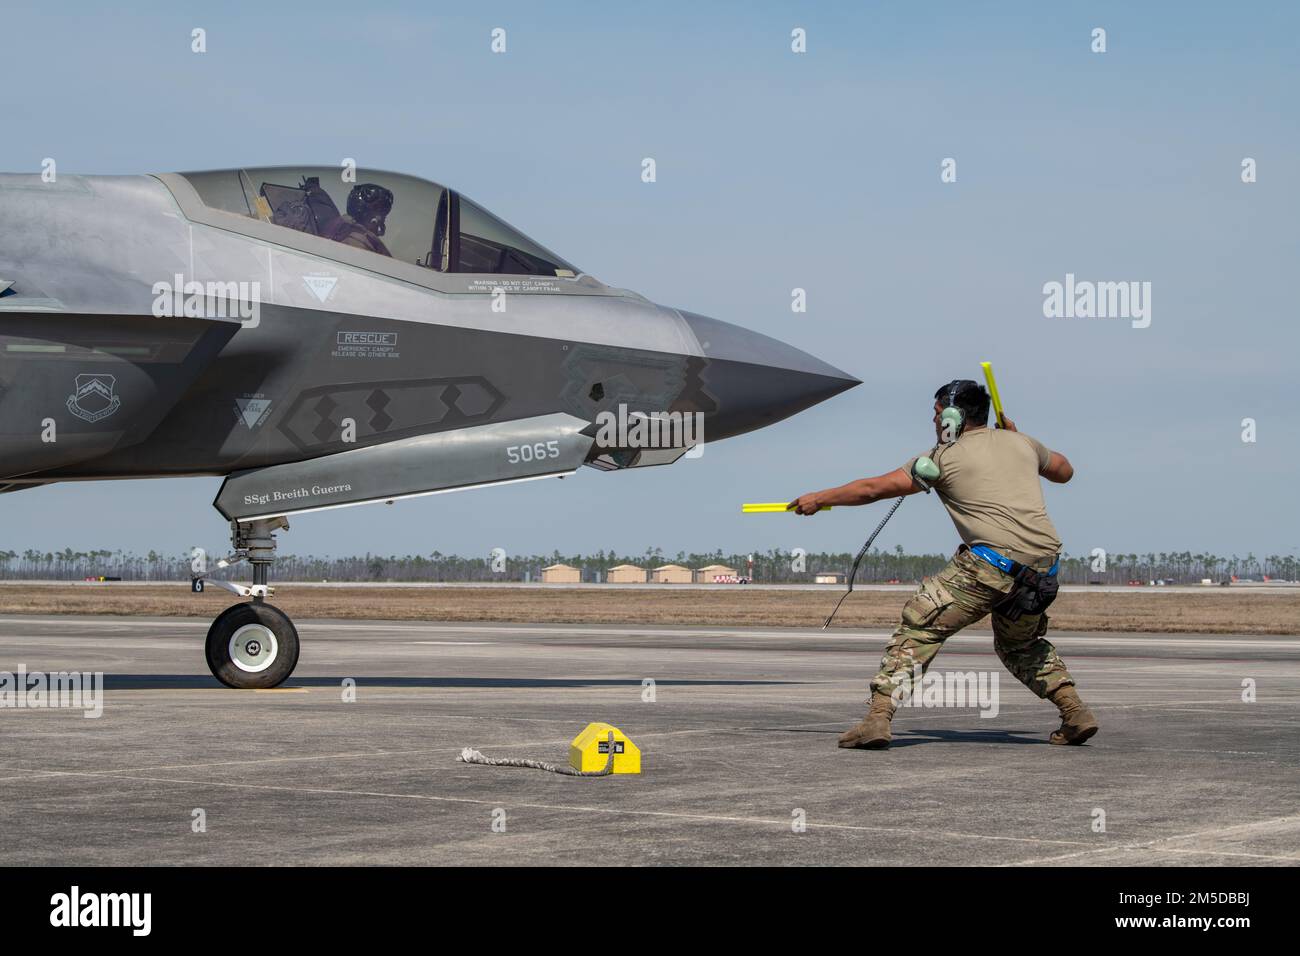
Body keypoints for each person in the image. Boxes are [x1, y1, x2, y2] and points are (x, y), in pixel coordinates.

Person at [790, 380, 1099, 749]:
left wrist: (818, 498)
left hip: (989, 566)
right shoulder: (1023, 443)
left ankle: (876, 719)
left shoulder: (941, 458)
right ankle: (1074, 711)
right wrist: (1019, 439)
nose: (935, 423)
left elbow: (873, 489)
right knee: (1021, 646)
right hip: (1042, 570)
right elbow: (1064, 471)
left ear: (952, 417)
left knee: (919, 629)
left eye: (938, 415)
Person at [321, 183, 395, 257]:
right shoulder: (357, 244)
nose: (383, 219)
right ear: (367, 214)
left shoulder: (341, 230)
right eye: (381, 213)